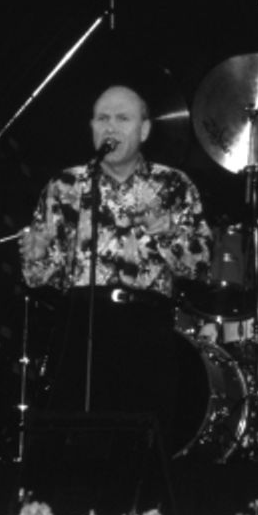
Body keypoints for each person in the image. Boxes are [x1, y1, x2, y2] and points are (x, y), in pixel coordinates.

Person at [19, 85, 211, 452]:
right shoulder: (65, 185)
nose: (111, 127)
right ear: (91, 127)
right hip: (82, 322)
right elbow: (39, 278)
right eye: (103, 118)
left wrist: (170, 234)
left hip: (145, 325)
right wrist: (38, 254)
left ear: (144, 129)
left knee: (143, 441)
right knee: (75, 441)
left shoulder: (173, 185)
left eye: (123, 119)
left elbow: (199, 265)